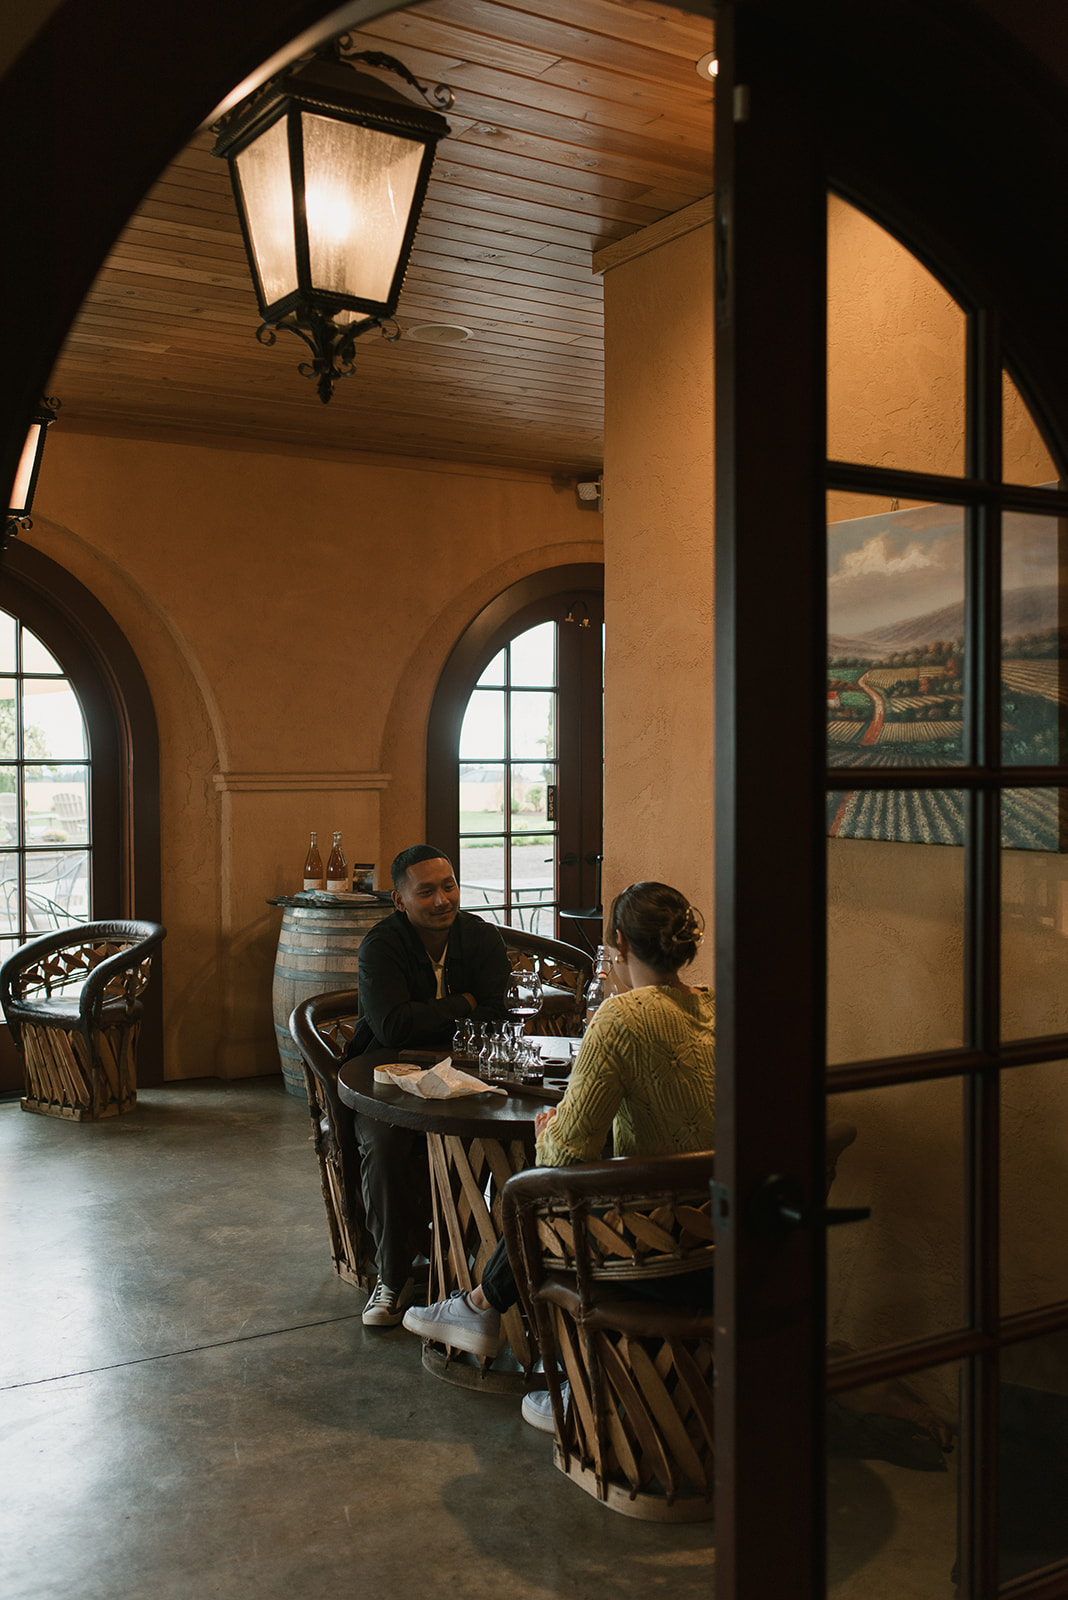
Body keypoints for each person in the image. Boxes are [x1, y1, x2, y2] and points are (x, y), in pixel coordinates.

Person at [402, 880, 716, 1427]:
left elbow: (566, 1155)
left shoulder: (621, 1018)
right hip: (727, 1225)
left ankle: (579, 1378)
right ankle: (481, 1311)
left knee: (537, 1193)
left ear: (616, 943)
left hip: (655, 1239)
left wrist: (549, 1127)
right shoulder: (721, 1005)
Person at [351, 845, 509, 1327]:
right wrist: (465, 1001)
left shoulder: (479, 937)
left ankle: (489, 1271)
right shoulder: (382, 945)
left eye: (449, 886)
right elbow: (393, 1028)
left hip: (469, 1075)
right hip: (389, 1079)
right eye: (427, 892)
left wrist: (441, 1012)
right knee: (384, 1142)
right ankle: (392, 1279)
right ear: (400, 901)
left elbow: (498, 1011)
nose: (443, 900)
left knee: (518, 1136)